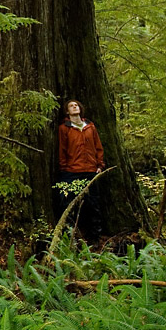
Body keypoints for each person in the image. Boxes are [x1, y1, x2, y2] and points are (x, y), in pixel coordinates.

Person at [56, 99, 104, 240]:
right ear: (67, 111)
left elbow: (98, 147)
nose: (75, 106)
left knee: (93, 204)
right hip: (71, 171)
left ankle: (95, 237)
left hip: (90, 170)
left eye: (76, 105)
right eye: (71, 106)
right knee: (67, 203)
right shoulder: (64, 128)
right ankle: (69, 236)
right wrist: (64, 168)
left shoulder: (90, 127)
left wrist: (100, 165)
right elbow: (62, 149)